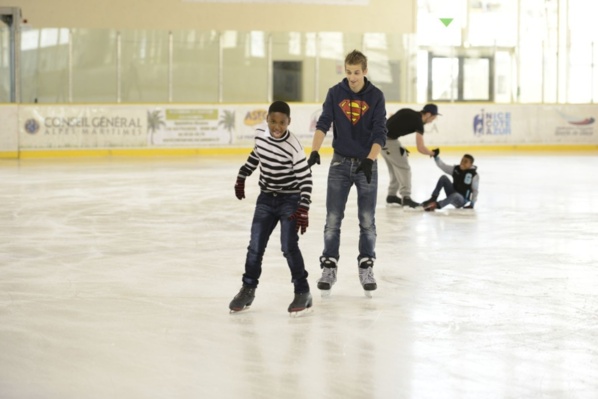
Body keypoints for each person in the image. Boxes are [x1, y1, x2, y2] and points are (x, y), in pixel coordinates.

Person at [307, 50, 387, 296]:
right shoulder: (335, 93)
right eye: (348, 72)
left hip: (366, 164)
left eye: (356, 73)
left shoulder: (375, 96)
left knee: (367, 220)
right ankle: (329, 267)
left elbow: (379, 132)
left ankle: (366, 266)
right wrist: (314, 150)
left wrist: (369, 160)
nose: (352, 77)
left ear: (365, 71)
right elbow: (324, 123)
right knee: (333, 219)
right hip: (340, 164)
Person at [229, 101, 313, 314]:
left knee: (288, 246)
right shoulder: (260, 135)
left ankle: (303, 291)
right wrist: (242, 175)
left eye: (282, 123)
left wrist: (303, 208)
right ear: (266, 119)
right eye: (273, 121)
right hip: (266, 199)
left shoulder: (294, 146)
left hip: (290, 200)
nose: (277, 127)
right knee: (255, 246)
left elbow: (306, 179)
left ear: (289, 122)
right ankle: (248, 289)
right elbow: (256, 155)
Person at [381, 104, 441, 208]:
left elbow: (392, 118)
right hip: (388, 142)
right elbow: (420, 148)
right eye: (432, 118)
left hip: (380, 140)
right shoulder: (419, 123)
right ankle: (406, 198)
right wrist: (433, 153)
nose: (432, 121)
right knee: (404, 168)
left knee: (395, 168)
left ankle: (391, 195)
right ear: (427, 114)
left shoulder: (407, 111)